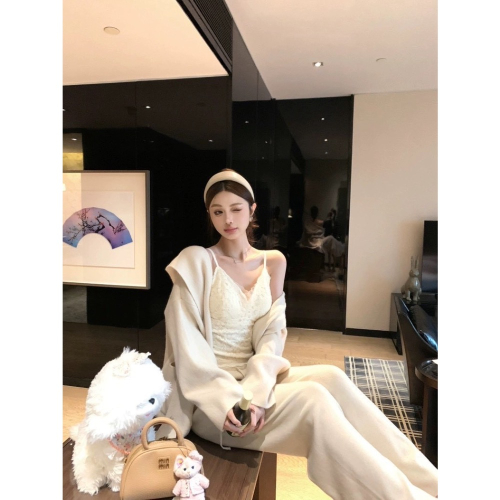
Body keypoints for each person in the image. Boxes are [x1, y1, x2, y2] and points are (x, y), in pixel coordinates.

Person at [158, 169, 438, 499]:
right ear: (209, 214)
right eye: (218, 211)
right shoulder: (197, 262)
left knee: (332, 378)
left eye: (236, 209)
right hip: (217, 406)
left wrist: (257, 393)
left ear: (252, 210)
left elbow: (271, 335)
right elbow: (188, 352)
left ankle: (434, 484)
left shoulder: (272, 261)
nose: (228, 219)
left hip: (253, 385)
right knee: (313, 401)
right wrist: (234, 402)